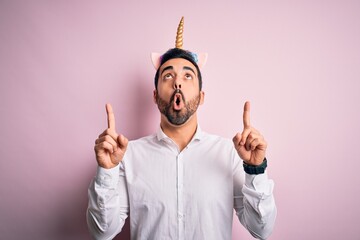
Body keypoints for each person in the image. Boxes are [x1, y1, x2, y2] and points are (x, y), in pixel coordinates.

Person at [87, 18, 276, 240]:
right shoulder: (128, 157)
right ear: (155, 97)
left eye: (188, 76)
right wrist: (107, 172)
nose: (178, 82)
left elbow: (261, 230)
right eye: (168, 75)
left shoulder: (230, 154)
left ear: (201, 97)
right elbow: (101, 233)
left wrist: (255, 169)